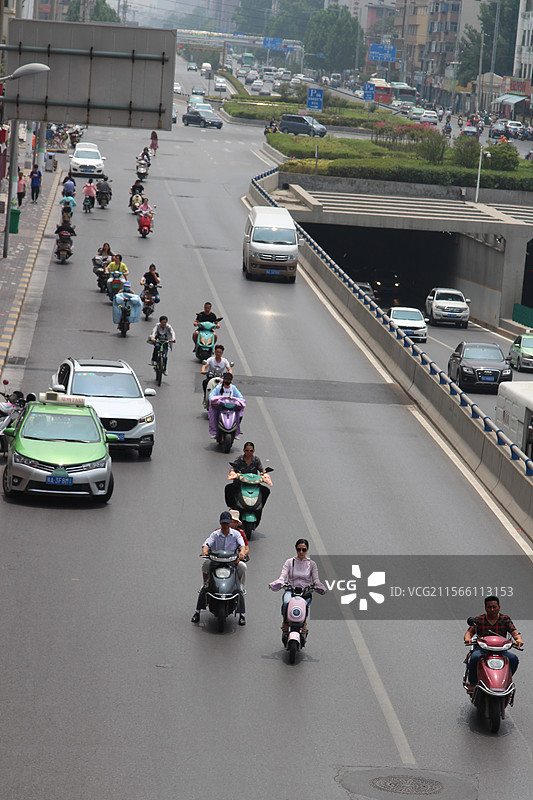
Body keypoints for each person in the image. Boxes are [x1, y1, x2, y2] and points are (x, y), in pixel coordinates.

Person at [191, 511, 247, 626]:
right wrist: (204, 550)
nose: (225, 526)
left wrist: (241, 553)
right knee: (205, 566)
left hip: (231, 563)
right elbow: (206, 544)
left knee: (242, 567)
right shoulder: (215, 535)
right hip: (216, 562)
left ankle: (242, 613)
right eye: (223, 524)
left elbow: (242, 545)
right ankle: (197, 611)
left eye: (227, 523)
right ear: (220, 523)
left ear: (230, 523)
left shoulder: (236, 534)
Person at [269, 539, 327, 643]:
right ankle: (285, 622)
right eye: (298, 549)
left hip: (304, 593)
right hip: (291, 591)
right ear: (296, 549)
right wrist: (277, 583)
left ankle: (304, 623)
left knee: (305, 605)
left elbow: (316, 580)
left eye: (303, 550)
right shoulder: (290, 562)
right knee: (286, 602)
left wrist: (320, 587)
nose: (301, 552)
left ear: (307, 550)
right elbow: (283, 576)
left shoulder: (312, 564)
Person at [464, 595, 523, 692]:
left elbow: (515, 632)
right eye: (489, 607)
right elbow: (469, 633)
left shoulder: (505, 619)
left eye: (494, 607)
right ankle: (473, 684)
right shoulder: (479, 619)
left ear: (499, 607)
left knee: (513, 659)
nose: (492, 609)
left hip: (501, 650)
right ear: (485, 608)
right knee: (474, 658)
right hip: (483, 649)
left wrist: (518, 639)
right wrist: (468, 639)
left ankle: (505, 682)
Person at [225, 441, 270, 516]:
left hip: (254, 484)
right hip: (240, 483)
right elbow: (233, 468)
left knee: (266, 491)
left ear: (253, 451)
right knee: (229, 489)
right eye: (247, 450)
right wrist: (232, 472)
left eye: (251, 451)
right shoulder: (239, 459)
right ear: (244, 450)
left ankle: (260, 506)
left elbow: (261, 470)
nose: (249, 452)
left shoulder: (256, 459)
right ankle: (232, 506)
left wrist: (264, 474)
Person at [208, 372, 245, 438]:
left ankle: (236, 431)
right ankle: (215, 432)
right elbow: (211, 395)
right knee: (214, 416)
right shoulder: (218, 387)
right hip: (221, 407)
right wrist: (214, 401)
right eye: (226, 379)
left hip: (232, 407)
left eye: (229, 380)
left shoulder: (233, 388)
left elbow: (240, 397)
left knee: (239, 415)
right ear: (224, 379)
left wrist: (238, 401)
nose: (228, 381)